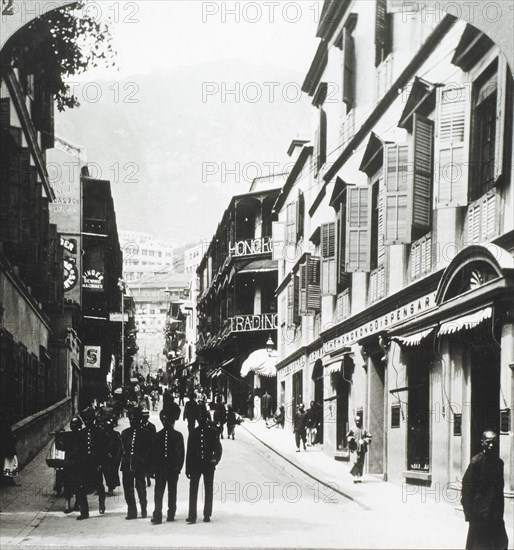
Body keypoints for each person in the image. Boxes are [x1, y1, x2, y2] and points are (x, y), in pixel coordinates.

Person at [461, 430, 508, 550]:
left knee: (501, 544)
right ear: (482, 443)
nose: (491, 445)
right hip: (479, 517)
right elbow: (466, 489)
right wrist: (469, 514)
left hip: (495, 516)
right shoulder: (476, 462)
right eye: (488, 442)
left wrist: (500, 513)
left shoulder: (499, 463)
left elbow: (499, 491)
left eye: (494, 442)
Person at [185, 407, 222, 524]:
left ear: (207, 419)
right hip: (195, 465)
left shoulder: (213, 431)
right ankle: (192, 515)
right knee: (193, 489)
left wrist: (214, 460)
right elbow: (189, 452)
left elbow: (218, 449)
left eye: (203, 418)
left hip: (208, 466)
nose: (201, 420)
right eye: (199, 418)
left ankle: (207, 514)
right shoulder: (193, 433)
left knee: (208, 489)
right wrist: (188, 468)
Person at [150, 405, 184, 524]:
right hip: (166, 470)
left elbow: (181, 454)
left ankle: (165, 514)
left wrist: (178, 467)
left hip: (168, 470)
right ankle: (164, 514)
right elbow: (153, 454)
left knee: (165, 492)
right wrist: (153, 469)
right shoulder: (173, 435)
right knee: (166, 492)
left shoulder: (173, 435)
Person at [74, 407, 108, 519]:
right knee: (81, 487)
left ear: (93, 419)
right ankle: (84, 512)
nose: (88, 422)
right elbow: (78, 450)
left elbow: (104, 449)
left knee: (98, 485)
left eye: (90, 419)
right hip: (84, 465)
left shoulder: (100, 432)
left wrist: (101, 464)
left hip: (96, 464)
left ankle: (101, 502)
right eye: (86, 420)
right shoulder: (81, 434)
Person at [120, 407, 152, 519]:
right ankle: (132, 511)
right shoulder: (125, 433)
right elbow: (122, 449)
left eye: (135, 419)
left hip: (139, 464)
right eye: (131, 419)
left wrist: (148, 467)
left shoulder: (145, 433)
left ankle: (143, 508)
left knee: (141, 488)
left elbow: (148, 451)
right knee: (128, 489)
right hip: (127, 464)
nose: (132, 421)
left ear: (139, 420)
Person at [346, 414, 372, 483]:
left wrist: (364, 441)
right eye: (356, 421)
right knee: (356, 462)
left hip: (362, 448)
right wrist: (351, 439)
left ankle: (359, 476)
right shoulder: (352, 429)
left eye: (359, 421)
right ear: (355, 421)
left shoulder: (364, 429)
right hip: (355, 448)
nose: (358, 422)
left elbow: (369, 437)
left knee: (361, 462)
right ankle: (355, 476)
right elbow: (348, 437)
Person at [102, 419, 122, 496]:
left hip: (114, 457)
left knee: (112, 472)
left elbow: (119, 446)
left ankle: (111, 488)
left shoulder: (116, 434)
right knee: (106, 473)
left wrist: (116, 456)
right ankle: (110, 486)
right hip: (105, 456)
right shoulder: (103, 434)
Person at [1, 415, 18, 486]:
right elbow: (9, 438)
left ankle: (8, 480)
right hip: (8, 448)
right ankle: (9, 480)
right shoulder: (5, 427)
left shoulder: (4, 426)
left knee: (8, 464)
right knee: (11, 463)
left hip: (6, 448)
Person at [141, 409, 157, 487]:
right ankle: (142, 479)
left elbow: (154, 438)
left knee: (147, 464)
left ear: (148, 417)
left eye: (146, 417)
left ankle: (148, 477)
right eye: (143, 417)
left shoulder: (152, 426)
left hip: (149, 449)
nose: (145, 419)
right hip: (141, 448)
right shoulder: (139, 426)